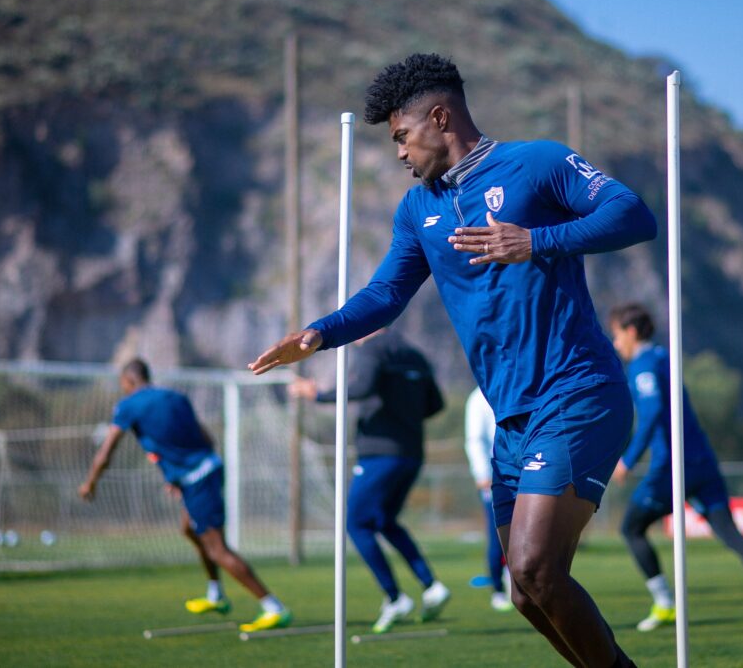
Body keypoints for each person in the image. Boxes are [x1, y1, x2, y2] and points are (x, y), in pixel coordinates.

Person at [250, 53, 656, 667]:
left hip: (578, 392)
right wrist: (319, 333)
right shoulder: (418, 211)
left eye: (401, 137)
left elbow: (633, 213)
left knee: (533, 566)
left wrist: (535, 239)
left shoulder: (538, 163)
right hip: (510, 419)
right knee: (524, 593)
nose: (398, 154)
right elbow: (386, 294)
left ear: (439, 117)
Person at [607, 303, 743, 639]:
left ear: (631, 333)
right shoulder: (664, 358)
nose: (616, 344)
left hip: (672, 468)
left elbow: (651, 414)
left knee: (631, 527)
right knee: (728, 532)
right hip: (703, 462)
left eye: (617, 335)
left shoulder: (644, 365)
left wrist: (629, 459)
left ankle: (664, 603)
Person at [79, 358, 291, 633]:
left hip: (197, 479)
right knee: (189, 528)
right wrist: (178, 473)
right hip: (206, 470)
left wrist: (90, 484)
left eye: (122, 385)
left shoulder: (128, 405)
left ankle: (274, 607)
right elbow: (204, 437)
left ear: (128, 381)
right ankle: (215, 594)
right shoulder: (176, 397)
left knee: (217, 548)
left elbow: (105, 453)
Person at [289, 328, 451, 633]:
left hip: (379, 454)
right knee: (386, 521)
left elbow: (361, 387)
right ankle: (431, 586)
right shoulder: (414, 353)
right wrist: (405, 415)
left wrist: (317, 394)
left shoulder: (372, 349)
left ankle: (394, 596)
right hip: (412, 453)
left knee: (357, 524)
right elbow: (436, 404)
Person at [464, 386, 512, 612]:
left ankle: (516, 580)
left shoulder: (510, 386)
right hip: (494, 477)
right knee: (498, 535)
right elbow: (475, 439)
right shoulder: (478, 398)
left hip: (519, 474)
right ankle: (498, 590)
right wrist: (482, 472)